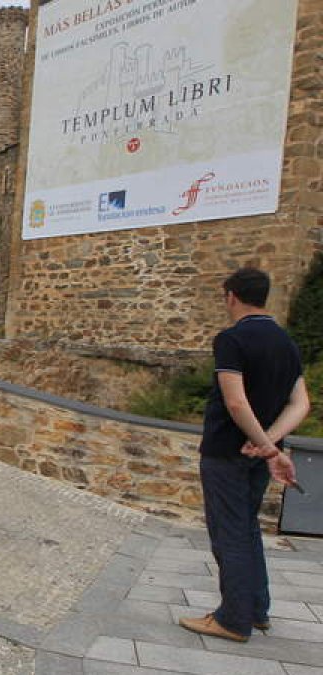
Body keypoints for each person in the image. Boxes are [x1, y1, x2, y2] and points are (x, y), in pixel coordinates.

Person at [179, 267, 308, 643]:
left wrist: (264, 443)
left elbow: (235, 402)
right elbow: (301, 404)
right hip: (260, 454)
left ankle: (232, 619)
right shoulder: (287, 343)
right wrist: (271, 444)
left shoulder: (232, 340)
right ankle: (256, 609)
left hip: (226, 451)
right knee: (248, 528)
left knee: (229, 533)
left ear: (231, 296)